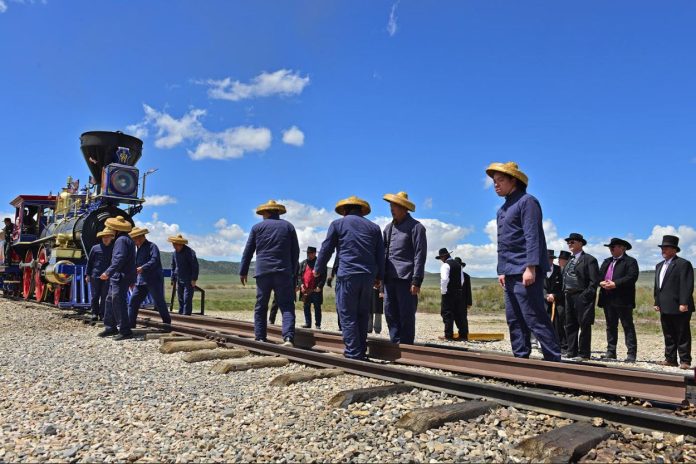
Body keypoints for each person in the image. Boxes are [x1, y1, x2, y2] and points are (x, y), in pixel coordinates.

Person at [486, 162, 560, 361]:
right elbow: (503, 243)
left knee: (534, 317)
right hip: (509, 271)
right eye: (494, 181)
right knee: (514, 318)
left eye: (500, 180)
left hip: (525, 270)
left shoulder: (527, 202)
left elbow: (532, 236)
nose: (496, 185)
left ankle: (554, 361)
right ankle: (521, 360)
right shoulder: (502, 209)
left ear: (514, 181)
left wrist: (531, 267)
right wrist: (501, 270)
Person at [315, 196, 384, 360]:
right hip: (367, 276)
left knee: (347, 314)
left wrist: (318, 269)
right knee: (362, 313)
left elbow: (326, 249)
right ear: (361, 210)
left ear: (345, 210)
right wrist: (379, 276)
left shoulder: (338, 224)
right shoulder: (374, 228)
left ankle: (353, 354)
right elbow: (380, 254)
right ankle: (360, 350)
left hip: (347, 275)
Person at [240, 200, 300, 346]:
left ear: (266, 212)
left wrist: (243, 271)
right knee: (286, 305)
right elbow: (295, 252)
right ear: (278, 212)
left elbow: (248, 251)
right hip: (283, 271)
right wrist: (292, 271)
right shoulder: (288, 227)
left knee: (261, 305)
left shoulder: (257, 228)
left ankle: (260, 337)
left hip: (263, 272)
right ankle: (288, 338)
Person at [382, 191, 427, 345]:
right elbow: (384, 254)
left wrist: (416, 280)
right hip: (389, 278)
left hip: (406, 279)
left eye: (395, 205)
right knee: (389, 312)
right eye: (391, 205)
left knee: (406, 314)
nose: (392, 209)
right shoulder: (388, 228)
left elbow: (420, 255)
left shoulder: (416, 227)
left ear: (404, 208)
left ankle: (407, 346)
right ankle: (395, 343)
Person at [654, 235, 695, 369]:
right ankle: (670, 359)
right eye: (662, 248)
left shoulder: (683, 264)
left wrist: (684, 303)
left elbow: (687, 285)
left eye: (666, 248)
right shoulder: (659, 265)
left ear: (674, 249)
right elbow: (658, 286)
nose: (663, 250)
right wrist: (657, 301)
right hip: (664, 305)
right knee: (669, 333)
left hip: (680, 305)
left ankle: (685, 360)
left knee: (682, 333)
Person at [597, 238, 639, 363]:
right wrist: (601, 282)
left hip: (623, 300)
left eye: (613, 247)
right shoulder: (607, 261)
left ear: (622, 248)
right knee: (610, 326)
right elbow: (598, 276)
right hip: (607, 299)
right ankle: (611, 351)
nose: (611, 249)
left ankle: (631, 354)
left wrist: (615, 283)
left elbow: (632, 277)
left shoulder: (630, 261)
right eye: (610, 247)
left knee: (627, 326)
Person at [98, 216, 137, 341]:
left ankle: (125, 330)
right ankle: (111, 327)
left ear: (115, 229)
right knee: (110, 300)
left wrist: (108, 272)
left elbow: (119, 259)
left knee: (118, 302)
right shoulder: (127, 239)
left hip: (120, 276)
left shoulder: (121, 240)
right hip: (119, 276)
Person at [562, 232, 600, 361]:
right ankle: (571, 351)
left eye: (572, 242)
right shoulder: (570, 260)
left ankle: (584, 354)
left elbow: (594, 282)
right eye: (568, 242)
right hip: (569, 295)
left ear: (580, 243)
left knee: (584, 324)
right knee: (570, 324)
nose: (569, 244)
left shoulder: (589, 259)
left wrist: (585, 296)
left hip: (581, 295)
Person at [127, 228, 172, 329]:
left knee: (159, 302)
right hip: (141, 281)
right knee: (133, 301)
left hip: (153, 279)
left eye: (135, 239)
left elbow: (154, 260)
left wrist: (143, 268)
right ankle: (130, 325)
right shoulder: (137, 249)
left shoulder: (152, 246)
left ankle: (167, 323)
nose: (134, 241)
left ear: (141, 237)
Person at [436, 248, 466, 341]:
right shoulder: (458, 265)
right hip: (458, 292)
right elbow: (462, 280)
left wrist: (443, 291)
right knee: (458, 314)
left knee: (447, 313)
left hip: (448, 292)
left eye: (441, 257)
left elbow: (444, 279)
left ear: (443, 256)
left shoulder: (445, 265)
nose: (441, 259)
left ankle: (448, 335)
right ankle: (463, 335)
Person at [85, 228, 115, 321]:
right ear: (101, 238)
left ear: (111, 238)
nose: (105, 239)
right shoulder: (95, 248)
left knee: (104, 296)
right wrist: (88, 275)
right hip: (95, 275)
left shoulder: (114, 248)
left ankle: (102, 314)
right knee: (95, 295)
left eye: (107, 237)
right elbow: (89, 262)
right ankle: (94, 313)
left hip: (107, 276)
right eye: (104, 237)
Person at [168, 234, 199, 316]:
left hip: (188, 279)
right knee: (180, 298)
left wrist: (194, 279)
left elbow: (195, 266)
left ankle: (186, 315)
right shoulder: (174, 253)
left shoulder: (190, 252)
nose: (174, 246)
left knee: (187, 298)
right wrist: (172, 278)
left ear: (181, 244)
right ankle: (181, 314)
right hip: (179, 278)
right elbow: (173, 266)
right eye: (173, 245)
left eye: (175, 245)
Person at [544, 250, 567, 356]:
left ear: (553, 259)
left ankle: (561, 345)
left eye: (550, 258)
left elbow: (563, 286)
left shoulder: (560, 270)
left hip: (558, 301)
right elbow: (538, 286)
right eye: (547, 258)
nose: (548, 260)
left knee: (558, 323)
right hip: (543, 301)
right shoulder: (540, 270)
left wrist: (554, 295)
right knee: (544, 323)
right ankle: (546, 345)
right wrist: (545, 295)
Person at [297, 246, 326, 329]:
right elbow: (299, 276)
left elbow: (323, 277)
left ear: (314, 253)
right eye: (307, 253)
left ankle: (318, 325)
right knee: (306, 306)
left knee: (317, 307)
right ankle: (308, 323)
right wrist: (301, 285)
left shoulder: (320, 263)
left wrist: (319, 286)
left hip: (315, 289)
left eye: (310, 253)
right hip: (305, 289)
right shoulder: (303, 263)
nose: (308, 255)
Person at [454, 256, 472, 340]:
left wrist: (469, 302)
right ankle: (461, 334)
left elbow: (468, 290)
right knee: (456, 317)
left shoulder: (466, 276)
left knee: (463, 317)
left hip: (463, 301)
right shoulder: (451, 276)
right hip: (454, 300)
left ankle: (464, 335)